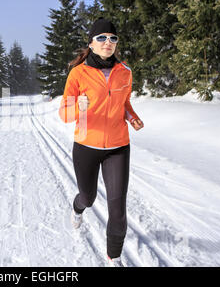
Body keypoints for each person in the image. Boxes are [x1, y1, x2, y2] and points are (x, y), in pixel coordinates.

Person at [59, 17, 144, 267]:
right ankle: (77, 208)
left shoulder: (125, 72)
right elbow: (64, 113)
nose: (108, 42)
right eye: (102, 38)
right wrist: (78, 107)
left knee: (117, 208)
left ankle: (113, 258)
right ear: (92, 43)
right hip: (86, 145)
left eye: (113, 38)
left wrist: (133, 117)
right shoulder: (78, 73)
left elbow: (124, 104)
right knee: (89, 197)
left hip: (118, 146)